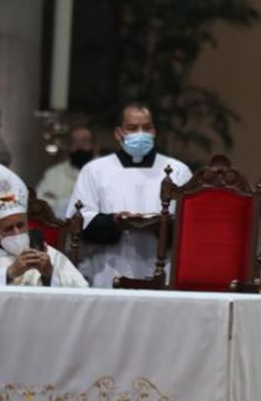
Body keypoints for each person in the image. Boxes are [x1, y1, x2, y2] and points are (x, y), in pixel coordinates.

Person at [67, 102, 192, 288]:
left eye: (147, 128)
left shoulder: (177, 171)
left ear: (154, 132)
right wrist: (114, 221)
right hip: (108, 270)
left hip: (161, 271)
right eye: (133, 128)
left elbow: (190, 226)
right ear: (119, 133)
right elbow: (78, 222)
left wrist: (161, 225)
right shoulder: (95, 170)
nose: (140, 134)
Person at [0, 162, 87, 287]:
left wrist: (49, 274)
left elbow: (79, 292)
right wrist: (9, 273)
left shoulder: (49, 255)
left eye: (21, 225)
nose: (17, 233)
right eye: (8, 228)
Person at [35, 125, 94, 218]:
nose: (79, 146)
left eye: (84, 141)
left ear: (93, 145)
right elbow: (40, 202)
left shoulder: (105, 172)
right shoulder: (53, 174)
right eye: (75, 141)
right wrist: (62, 204)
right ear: (69, 146)